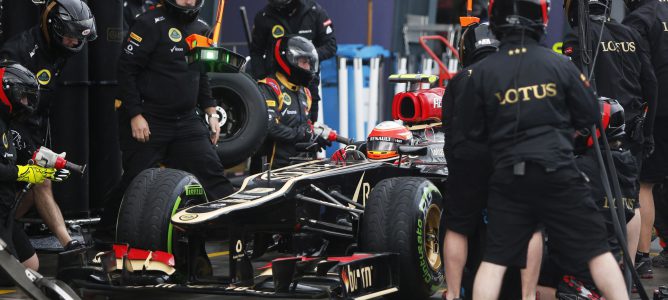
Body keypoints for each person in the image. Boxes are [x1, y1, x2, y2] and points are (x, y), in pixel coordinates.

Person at [464, 0, 628, 299]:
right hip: (559, 172)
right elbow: (591, 114)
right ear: (541, 18)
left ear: (497, 19)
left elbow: (472, 131)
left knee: (494, 260)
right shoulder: (559, 65)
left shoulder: (482, 72)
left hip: (509, 178)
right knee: (597, 252)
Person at [99, 0, 234, 237]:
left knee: (212, 172)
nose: (188, 1)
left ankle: (237, 227)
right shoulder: (148, 23)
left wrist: (211, 110)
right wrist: (135, 114)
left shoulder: (201, 28)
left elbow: (200, 73)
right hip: (149, 118)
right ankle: (105, 234)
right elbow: (126, 70)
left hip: (186, 121)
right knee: (136, 180)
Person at [563, 0, 658, 278]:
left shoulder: (578, 35)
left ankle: (589, 269)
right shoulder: (630, 34)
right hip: (631, 129)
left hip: (595, 130)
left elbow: (571, 83)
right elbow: (650, 83)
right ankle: (633, 266)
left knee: (586, 195)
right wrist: (648, 129)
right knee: (631, 200)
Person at [0, 0, 97, 252]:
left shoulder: (58, 51)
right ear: (54, 27)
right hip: (10, 125)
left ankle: (9, 226)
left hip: (36, 124)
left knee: (32, 187)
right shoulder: (18, 50)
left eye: (79, 39)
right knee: (40, 180)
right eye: (71, 37)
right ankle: (68, 243)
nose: (75, 43)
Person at [0, 62, 69, 271]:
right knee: (10, 276)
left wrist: (45, 165)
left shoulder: (8, 124)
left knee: (31, 265)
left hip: (5, 213)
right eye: (23, 96)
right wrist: (24, 172)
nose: (25, 102)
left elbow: (24, 156)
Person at [623, 0, 668, 276]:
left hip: (658, 111)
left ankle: (641, 257)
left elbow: (637, 71)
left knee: (644, 184)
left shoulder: (639, 19)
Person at [250, 0, 337, 123]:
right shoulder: (264, 16)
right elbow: (256, 52)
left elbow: (330, 45)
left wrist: (307, 57)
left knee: (309, 127)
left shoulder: (315, 12)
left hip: (307, 83)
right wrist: (262, 81)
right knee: (273, 127)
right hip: (275, 86)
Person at [258, 35, 329, 170]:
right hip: (272, 171)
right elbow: (270, 128)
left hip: (301, 168)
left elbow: (306, 128)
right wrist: (303, 134)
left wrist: (313, 137)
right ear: (289, 59)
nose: (308, 67)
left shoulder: (305, 93)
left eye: (309, 63)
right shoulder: (269, 87)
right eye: (303, 62)